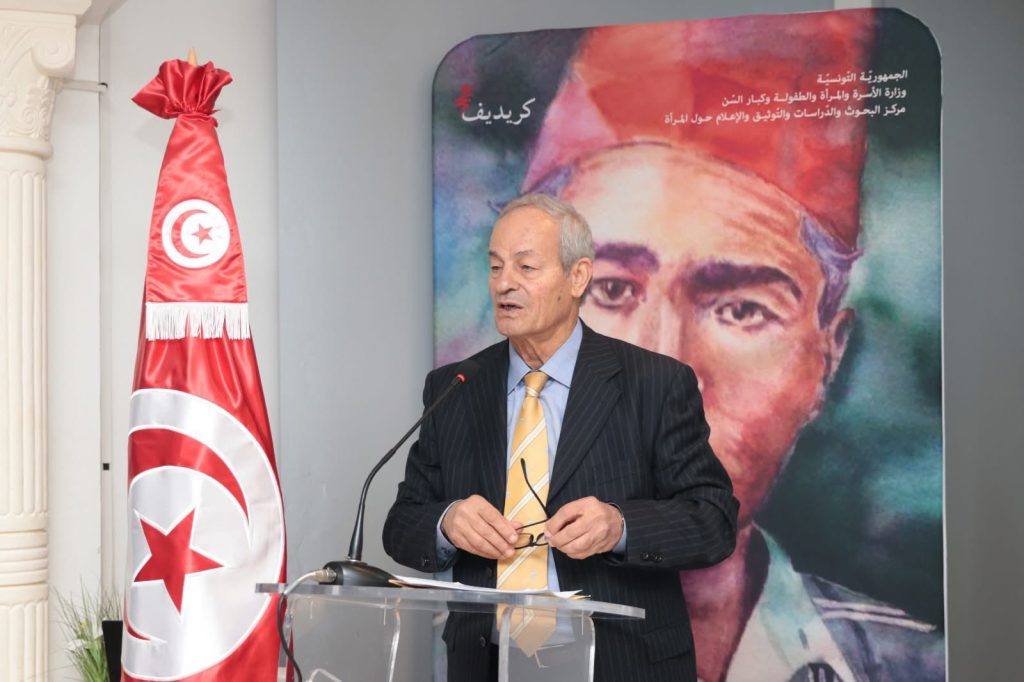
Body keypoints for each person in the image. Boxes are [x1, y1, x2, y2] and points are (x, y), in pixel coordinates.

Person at [509, 15, 946, 681]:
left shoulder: (914, 667)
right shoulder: (437, 637)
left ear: (827, 360)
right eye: (608, 290)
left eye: (741, 309)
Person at [383, 193, 739, 682]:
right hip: (487, 663)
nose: (504, 283)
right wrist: (447, 523)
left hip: (620, 663)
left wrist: (620, 526)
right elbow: (402, 523)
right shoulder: (455, 387)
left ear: (578, 277)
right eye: (495, 267)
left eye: (526, 267)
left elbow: (713, 520)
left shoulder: (655, 384)